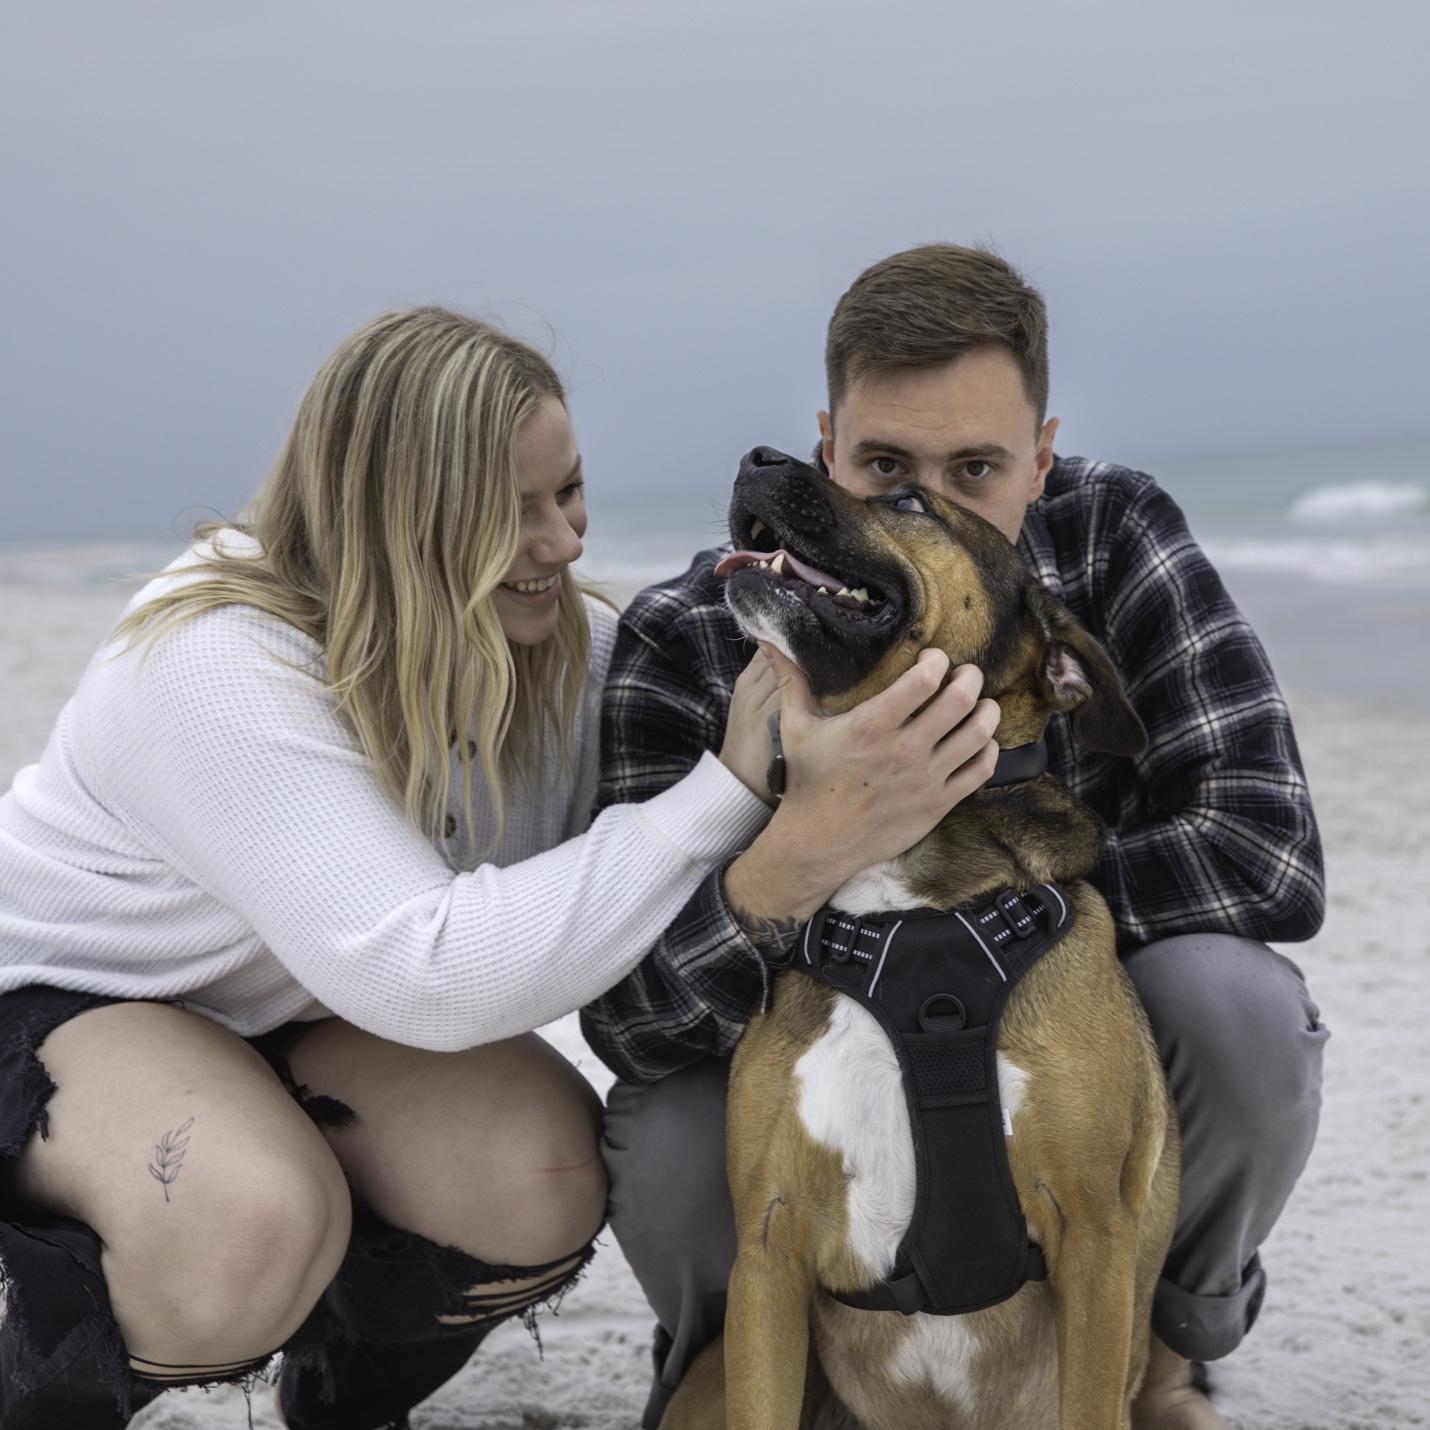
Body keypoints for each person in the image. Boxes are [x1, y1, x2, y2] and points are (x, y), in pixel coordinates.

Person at [0, 306, 965, 1430]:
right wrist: (726, 791)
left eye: (569, 491)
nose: (563, 543)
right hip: (73, 997)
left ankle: (341, 1405)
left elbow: (701, 657)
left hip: (293, 1005)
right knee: (249, 1220)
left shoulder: (544, 644)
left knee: (538, 1170)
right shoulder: (218, 662)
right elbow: (429, 973)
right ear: (393, 519)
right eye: (510, 512)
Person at [583, 245, 1329, 1430]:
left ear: (1040, 455)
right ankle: (785, 1380)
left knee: (1237, 1006)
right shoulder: (693, 628)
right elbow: (628, 1011)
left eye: (973, 468)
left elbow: (1266, 854)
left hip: (1064, 1021)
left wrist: (1000, 910)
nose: (924, 503)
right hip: (811, 1058)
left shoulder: (1110, 536)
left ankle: (1158, 1357)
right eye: (883, 468)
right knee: (661, 1122)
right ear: (827, 447)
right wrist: (801, 863)